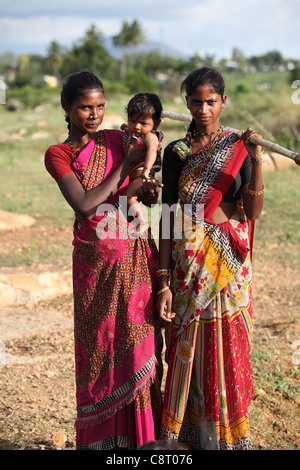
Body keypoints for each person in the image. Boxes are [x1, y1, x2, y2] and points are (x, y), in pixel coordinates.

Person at [44, 71, 163, 450]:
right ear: (66, 107)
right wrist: (126, 168)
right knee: (100, 347)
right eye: (84, 108)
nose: (94, 115)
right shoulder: (58, 154)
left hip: (132, 257)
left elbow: (137, 185)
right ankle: (103, 443)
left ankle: (142, 441)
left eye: (100, 107)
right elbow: (84, 204)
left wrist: (146, 182)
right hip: (94, 264)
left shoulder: (117, 139)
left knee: (140, 344)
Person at [157, 67, 264, 450]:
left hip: (228, 266)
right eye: (196, 101)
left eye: (211, 101)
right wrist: (164, 281)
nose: (203, 109)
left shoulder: (239, 146)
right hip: (189, 266)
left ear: (223, 102)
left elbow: (251, 212)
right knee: (189, 349)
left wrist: (256, 159)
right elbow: (169, 215)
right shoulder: (177, 153)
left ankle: (231, 437)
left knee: (228, 350)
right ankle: (188, 435)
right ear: (186, 103)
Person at [120, 93, 163, 233]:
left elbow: (152, 151)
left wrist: (146, 170)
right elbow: (133, 131)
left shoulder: (150, 136)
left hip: (142, 177)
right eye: (133, 121)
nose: (137, 127)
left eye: (143, 123)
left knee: (128, 197)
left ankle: (143, 222)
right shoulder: (138, 133)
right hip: (135, 176)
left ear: (155, 123)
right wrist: (127, 127)